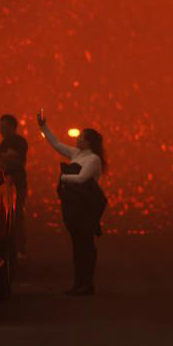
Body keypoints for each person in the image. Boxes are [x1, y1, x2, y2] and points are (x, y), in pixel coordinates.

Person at [37, 111, 107, 296]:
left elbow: (83, 178)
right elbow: (56, 144)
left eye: (82, 138)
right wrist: (43, 126)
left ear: (89, 142)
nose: (79, 140)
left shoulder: (93, 159)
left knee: (85, 245)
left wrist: (64, 177)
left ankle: (87, 283)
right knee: (78, 246)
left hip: (85, 207)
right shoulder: (77, 153)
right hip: (74, 207)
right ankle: (79, 283)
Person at [0, 114, 29, 258]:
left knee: (17, 215)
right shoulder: (4, 143)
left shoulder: (19, 142)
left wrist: (3, 156)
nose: (1, 129)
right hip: (7, 184)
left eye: (4, 126)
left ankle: (19, 249)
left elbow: (15, 160)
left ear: (12, 127)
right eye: (1, 126)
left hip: (17, 183)